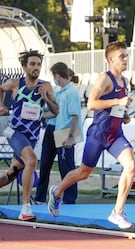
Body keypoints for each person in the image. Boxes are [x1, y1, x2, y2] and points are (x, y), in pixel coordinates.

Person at [47, 41, 135, 230]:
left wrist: (124, 114)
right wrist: (118, 100)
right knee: (84, 173)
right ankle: (57, 192)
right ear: (111, 59)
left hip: (115, 134)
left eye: (126, 55)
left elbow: (115, 106)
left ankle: (117, 212)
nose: (126, 58)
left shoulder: (125, 81)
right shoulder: (105, 78)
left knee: (131, 165)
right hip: (98, 134)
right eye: (122, 56)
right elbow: (92, 104)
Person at [0, 50, 59, 221]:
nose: (36, 67)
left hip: (32, 136)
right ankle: (26, 208)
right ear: (24, 67)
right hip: (15, 132)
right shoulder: (16, 83)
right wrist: (1, 106)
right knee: (31, 160)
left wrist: (46, 99)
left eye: (38, 64)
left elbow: (56, 111)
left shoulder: (45, 86)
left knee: (13, 172)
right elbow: (0, 90)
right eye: (32, 64)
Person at [35, 63, 82, 205]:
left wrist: (71, 136)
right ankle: (40, 197)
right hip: (55, 129)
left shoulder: (71, 92)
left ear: (57, 75)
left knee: (66, 167)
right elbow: (55, 112)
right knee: (45, 164)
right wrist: (39, 114)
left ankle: (69, 198)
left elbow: (75, 116)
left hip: (65, 131)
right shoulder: (60, 92)